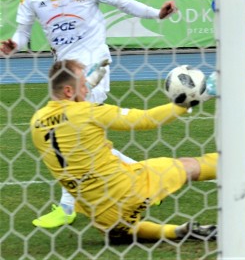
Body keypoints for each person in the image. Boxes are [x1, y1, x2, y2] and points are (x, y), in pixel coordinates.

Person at [0, 0, 178, 229]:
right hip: (64, 70)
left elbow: (122, 3)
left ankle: (67, 206)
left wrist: (155, 13)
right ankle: (146, 177)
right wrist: (12, 45)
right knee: (81, 136)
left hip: (95, 63)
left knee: (74, 130)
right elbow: (22, 33)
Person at [31, 59, 218, 242]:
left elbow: (67, 113)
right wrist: (194, 99)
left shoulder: (36, 121)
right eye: (83, 86)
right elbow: (147, 119)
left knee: (124, 230)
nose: (87, 90)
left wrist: (84, 83)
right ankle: (238, 160)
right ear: (68, 90)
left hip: (98, 210)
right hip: (126, 188)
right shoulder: (90, 112)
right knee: (187, 166)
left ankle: (175, 232)